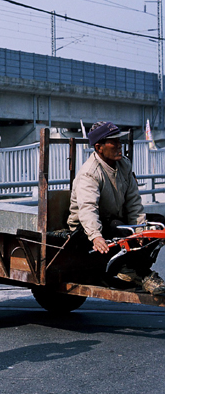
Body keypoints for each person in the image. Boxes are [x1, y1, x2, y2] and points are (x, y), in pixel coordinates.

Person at [67, 121, 165, 295]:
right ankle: (140, 273)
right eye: (114, 142)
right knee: (120, 228)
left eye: (120, 141)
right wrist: (95, 236)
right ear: (99, 147)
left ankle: (134, 270)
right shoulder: (90, 173)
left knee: (159, 224)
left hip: (114, 220)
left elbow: (133, 201)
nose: (120, 145)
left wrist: (141, 229)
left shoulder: (124, 164)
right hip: (86, 230)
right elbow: (88, 209)